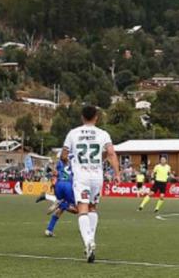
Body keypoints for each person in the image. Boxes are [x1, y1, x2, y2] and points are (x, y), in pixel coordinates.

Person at [61, 105, 121, 262]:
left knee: (82, 208)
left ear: (82, 117)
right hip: (97, 176)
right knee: (93, 207)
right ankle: (90, 241)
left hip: (81, 176)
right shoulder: (103, 134)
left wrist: (69, 162)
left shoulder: (73, 133)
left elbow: (63, 155)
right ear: (96, 118)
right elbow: (111, 153)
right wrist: (117, 173)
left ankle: (88, 242)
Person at [42, 158, 77, 237]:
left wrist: (54, 184)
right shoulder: (75, 162)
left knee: (61, 209)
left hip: (59, 185)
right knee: (77, 210)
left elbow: (55, 174)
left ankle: (49, 229)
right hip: (68, 186)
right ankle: (62, 204)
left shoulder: (60, 162)